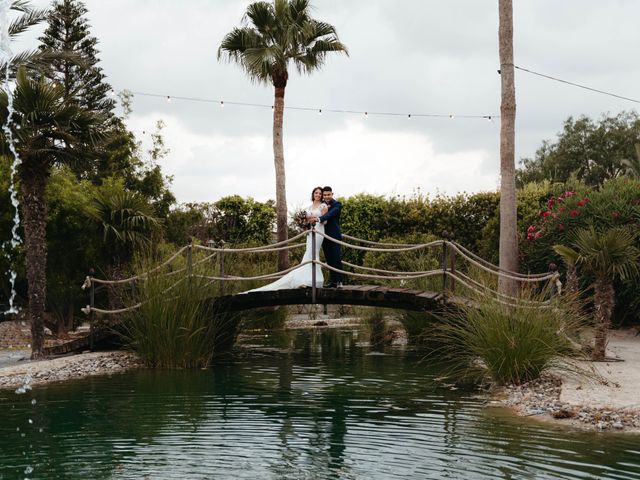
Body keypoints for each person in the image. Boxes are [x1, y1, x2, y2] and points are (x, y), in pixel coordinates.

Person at [244, 187, 327, 292]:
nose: (318, 195)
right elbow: (301, 219)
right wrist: (305, 223)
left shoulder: (323, 206)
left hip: (319, 231)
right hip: (310, 232)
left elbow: (324, 221)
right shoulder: (309, 207)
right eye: (316, 193)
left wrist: (315, 219)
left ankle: (314, 279)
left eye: (320, 193)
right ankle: (306, 279)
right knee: (309, 252)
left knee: (313, 253)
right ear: (313, 194)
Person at [313, 186, 343, 288]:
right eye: (324, 195)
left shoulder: (337, 205)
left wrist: (318, 219)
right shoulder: (322, 205)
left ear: (332, 194)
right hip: (323, 235)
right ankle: (333, 281)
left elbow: (330, 214)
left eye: (328, 195)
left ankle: (339, 281)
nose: (326, 197)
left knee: (336, 258)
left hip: (334, 235)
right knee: (329, 259)